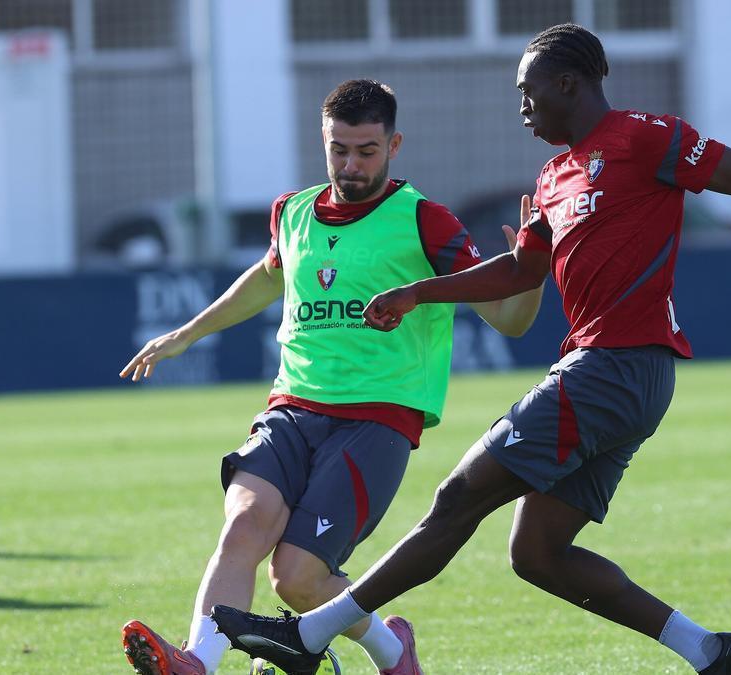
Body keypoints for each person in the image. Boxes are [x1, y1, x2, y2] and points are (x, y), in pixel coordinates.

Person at [212, 24, 731, 675]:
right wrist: (419, 292)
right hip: (608, 374)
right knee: (538, 552)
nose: (522, 106)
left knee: (458, 496)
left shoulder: (645, 136)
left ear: (568, 84)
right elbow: (519, 273)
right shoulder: (552, 177)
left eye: (529, 91)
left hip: (618, 366)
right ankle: (707, 649)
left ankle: (310, 635)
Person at [118, 79, 543, 675]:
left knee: (296, 579)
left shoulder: (424, 221)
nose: (350, 164)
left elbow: (509, 321)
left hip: (376, 419)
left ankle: (394, 652)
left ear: (394, 144)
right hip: (292, 407)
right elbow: (266, 279)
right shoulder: (292, 212)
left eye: (366, 151)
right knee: (243, 526)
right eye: (338, 149)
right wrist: (185, 334)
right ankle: (199, 665)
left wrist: (532, 273)